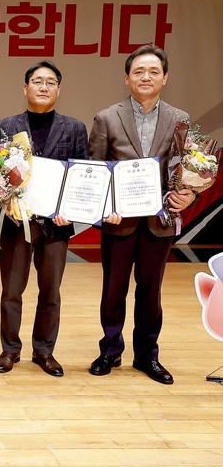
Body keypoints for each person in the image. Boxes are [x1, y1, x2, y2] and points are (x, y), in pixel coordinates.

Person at [88, 45, 196, 385]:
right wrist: (105, 208)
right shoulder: (107, 117)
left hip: (159, 221)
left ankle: (147, 355)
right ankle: (110, 350)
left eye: (153, 71)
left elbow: (187, 170)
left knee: (151, 292)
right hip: (118, 221)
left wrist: (189, 194)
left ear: (165, 78)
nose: (145, 77)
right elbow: (94, 170)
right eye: (138, 71)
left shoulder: (180, 119)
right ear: (126, 78)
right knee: (113, 290)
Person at [0, 61, 89, 377]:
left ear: (59, 89)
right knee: (11, 291)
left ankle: (44, 351)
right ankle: (10, 349)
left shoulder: (74, 128)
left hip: (56, 224)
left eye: (50, 82)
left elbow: (83, 175)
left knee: (50, 291)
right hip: (16, 221)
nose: (43, 87)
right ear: (25, 88)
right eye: (37, 81)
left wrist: (70, 210)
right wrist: (3, 200)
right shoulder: (6, 126)